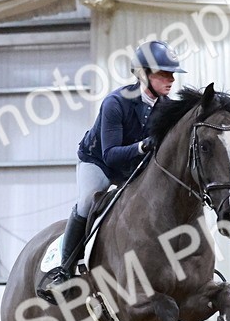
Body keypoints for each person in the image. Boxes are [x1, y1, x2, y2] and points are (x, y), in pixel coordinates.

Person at [36, 40, 185, 302]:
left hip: (133, 166)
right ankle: (64, 271)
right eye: (164, 74)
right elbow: (111, 154)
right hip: (99, 162)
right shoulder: (115, 103)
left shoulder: (167, 108)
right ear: (143, 74)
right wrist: (141, 146)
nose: (171, 79)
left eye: (172, 74)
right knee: (87, 201)